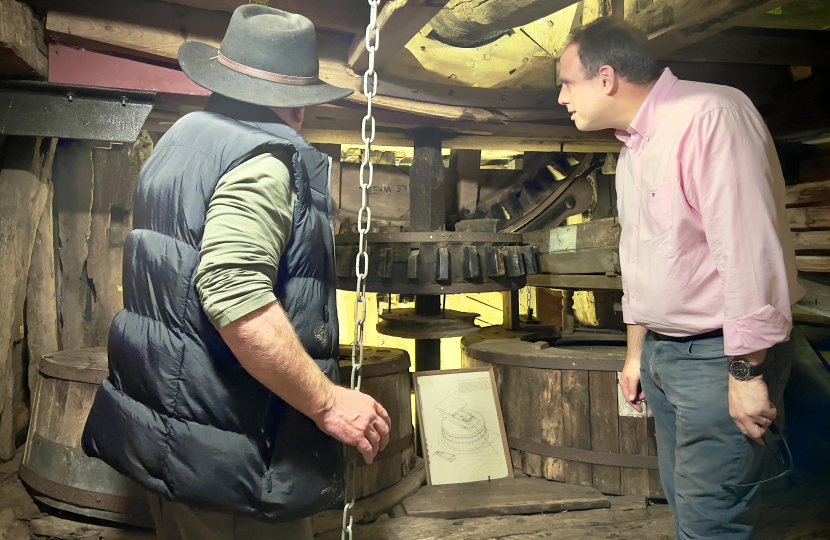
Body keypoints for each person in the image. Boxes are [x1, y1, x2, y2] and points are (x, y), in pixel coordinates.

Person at [81, 6, 392, 539]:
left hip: (179, 438)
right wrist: (329, 401)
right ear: (295, 103)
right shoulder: (264, 162)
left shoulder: (186, 137)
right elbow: (234, 294)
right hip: (236, 455)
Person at [557, 18, 804, 540]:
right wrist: (635, 353)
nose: (561, 97)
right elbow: (642, 260)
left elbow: (748, 251)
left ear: (605, 78)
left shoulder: (710, 114)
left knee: (712, 523)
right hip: (665, 358)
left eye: (566, 83)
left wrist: (744, 373)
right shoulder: (633, 150)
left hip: (719, 359)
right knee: (687, 509)